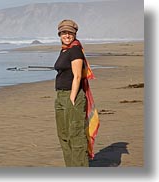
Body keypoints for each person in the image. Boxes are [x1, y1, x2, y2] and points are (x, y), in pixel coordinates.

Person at [54, 19, 89, 167]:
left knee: (76, 136)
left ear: (74, 34)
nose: (67, 35)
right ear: (59, 34)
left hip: (72, 96)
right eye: (63, 32)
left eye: (70, 32)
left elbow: (77, 76)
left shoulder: (75, 50)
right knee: (63, 135)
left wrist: (72, 98)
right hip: (60, 96)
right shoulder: (64, 50)